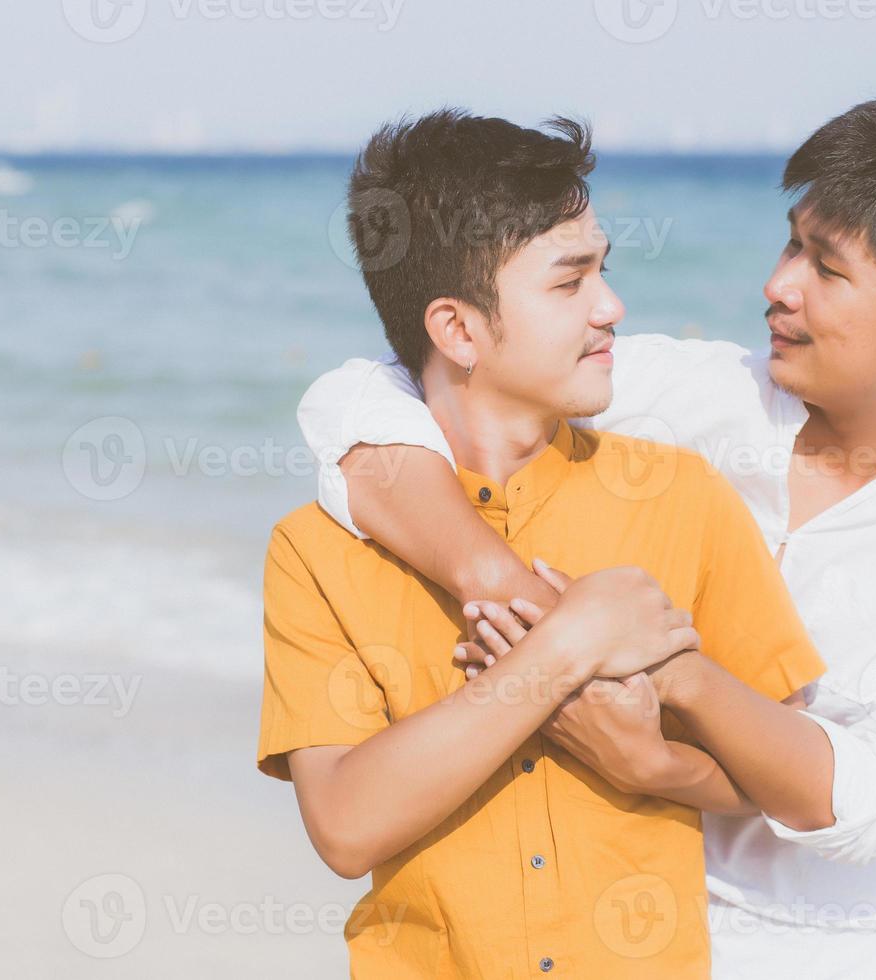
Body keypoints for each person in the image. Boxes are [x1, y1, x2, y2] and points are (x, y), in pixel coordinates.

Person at [296, 90, 876, 978]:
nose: (777, 285)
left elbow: (874, 800)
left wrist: (666, 703)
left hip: (808, 947)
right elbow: (366, 404)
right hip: (582, 907)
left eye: (825, 268)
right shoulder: (694, 397)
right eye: (792, 241)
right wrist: (511, 588)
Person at [257, 109, 828, 978]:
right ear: (456, 330)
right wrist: (562, 646)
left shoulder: (682, 497)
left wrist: (661, 750)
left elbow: (796, 783)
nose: (611, 308)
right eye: (570, 283)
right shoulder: (315, 549)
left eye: (605, 270)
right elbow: (343, 825)